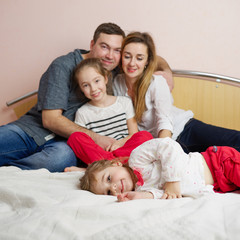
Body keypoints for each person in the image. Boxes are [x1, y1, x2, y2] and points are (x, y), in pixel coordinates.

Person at [0, 23, 172, 172]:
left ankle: (8, 173)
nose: (110, 55)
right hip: (30, 131)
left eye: (117, 50)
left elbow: (146, 56)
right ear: (92, 44)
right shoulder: (63, 66)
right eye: (104, 47)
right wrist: (97, 138)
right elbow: (50, 120)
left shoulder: (115, 69)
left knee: (60, 159)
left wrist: (166, 72)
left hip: (64, 144)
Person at [113, 31, 240, 153]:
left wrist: (161, 153)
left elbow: (165, 122)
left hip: (184, 129)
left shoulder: (156, 82)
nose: (132, 63)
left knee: (235, 142)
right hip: (166, 143)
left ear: (147, 61)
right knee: (216, 161)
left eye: (139, 58)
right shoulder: (116, 84)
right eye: (127, 56)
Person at [80, 137, 240, 201]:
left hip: (219, 163)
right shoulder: (141, 187)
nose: (113, 188)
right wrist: (139, 197)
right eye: (108, 192)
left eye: (108, 179)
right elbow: (160, 193)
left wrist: (172, 181)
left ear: (116, 164)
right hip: (219, 185)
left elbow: (168, 145)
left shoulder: (137, 159)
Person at [64, 58, 153, 170]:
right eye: (86, 85)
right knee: (75, 137)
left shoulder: (124, 102)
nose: (93, 89)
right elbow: (87, 146)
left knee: (145, 135)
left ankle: (99, 168)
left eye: (97, 81)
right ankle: (114, 165)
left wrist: (119, 143)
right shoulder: (82, 113)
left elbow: (134, 134)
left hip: (124, 149)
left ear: (105, 79)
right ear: (81, 89)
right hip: (102, 154)